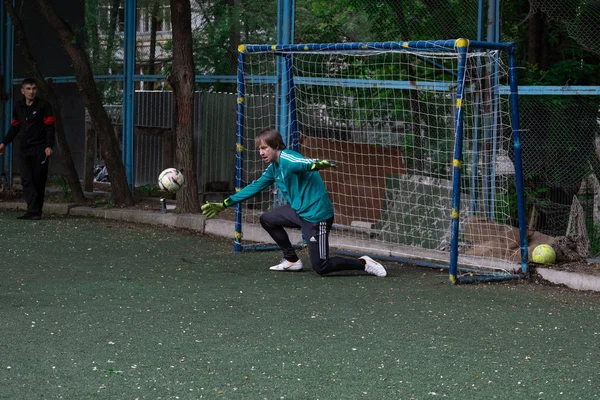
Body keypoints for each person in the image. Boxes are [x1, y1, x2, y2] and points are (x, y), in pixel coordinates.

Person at [202, 128, 387, 277]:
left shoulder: (287, 158)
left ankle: (364, 263)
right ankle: (291, 260)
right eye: (259, 148)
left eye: (264, 148)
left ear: (276, 146)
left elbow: (300, 163)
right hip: (299, 212)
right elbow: (255, 187)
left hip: (317, 217)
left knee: (321, 266)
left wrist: (314, 164)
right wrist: (226, 203)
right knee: (267, 218)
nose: (261, 152)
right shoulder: (273, 168)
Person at [0, 78, 55, 220]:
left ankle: (36, 211)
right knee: (26, 179)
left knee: (38, 179)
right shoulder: (18, 107)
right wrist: (4, 143)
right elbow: (14, 127)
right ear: (22, 91)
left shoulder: (44, 106)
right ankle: (32, 211)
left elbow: (50, 127)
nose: (32, 91)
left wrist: (49, 146)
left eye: (34, 88)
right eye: (29, 89)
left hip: (40, 148)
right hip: (24, 148)